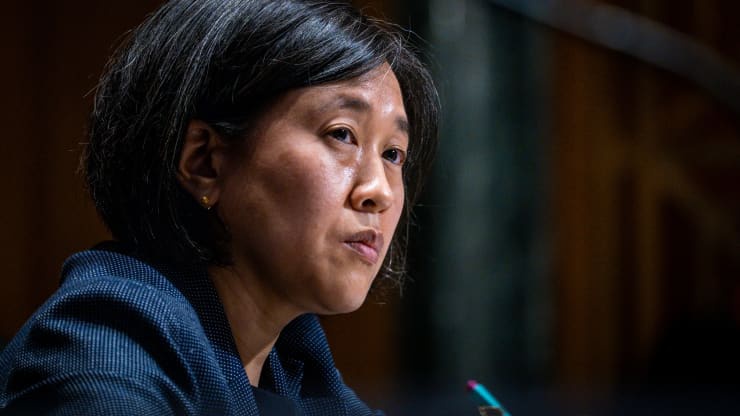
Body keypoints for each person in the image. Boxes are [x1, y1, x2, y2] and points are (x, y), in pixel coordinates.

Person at [0, 0, 439, 415]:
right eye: (342, 134)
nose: (380, 192)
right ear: (204, 161)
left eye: (393, 154)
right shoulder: (107, 348)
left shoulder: (298, 363)